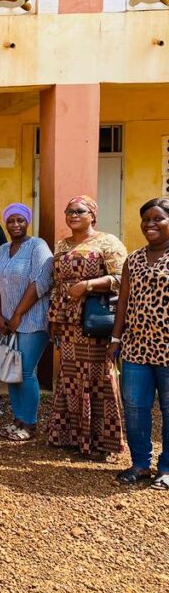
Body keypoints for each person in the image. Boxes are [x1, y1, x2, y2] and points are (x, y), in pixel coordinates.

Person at [47, 195, 127, 460]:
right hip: (68, 325)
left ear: (93, 214)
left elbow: (121, 279)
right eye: (69, 211)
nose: (73, 215)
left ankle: (101, 441)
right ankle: (70, 436)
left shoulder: (108, 242)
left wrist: (88, 285)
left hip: (94, 323)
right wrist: (54, 320)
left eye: (79, 211)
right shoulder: (62, 244)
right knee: (69, 378)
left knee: (96, 378)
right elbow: (57, 284)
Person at [109, 198, 169, 488]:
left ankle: (167, 467)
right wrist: (116, 338)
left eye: (158, 218)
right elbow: (123, 302)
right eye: (146, 219)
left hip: (168, 349)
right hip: (136, 348)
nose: (150, 224)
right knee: (135, 407)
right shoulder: (133, 259)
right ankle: (141, 464)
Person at [0, 203, 53, 442]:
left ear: (28, 221)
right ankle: (17, 419)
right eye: (11, 221)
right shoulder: (3, 249)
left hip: (32, 321)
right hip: (7, 323)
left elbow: (40, 283)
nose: (15, 225)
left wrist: (17, 315)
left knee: (25, 371)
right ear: (5, 223)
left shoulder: (38, 246)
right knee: (11, 371)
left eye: (20, 220)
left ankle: (29, 423)